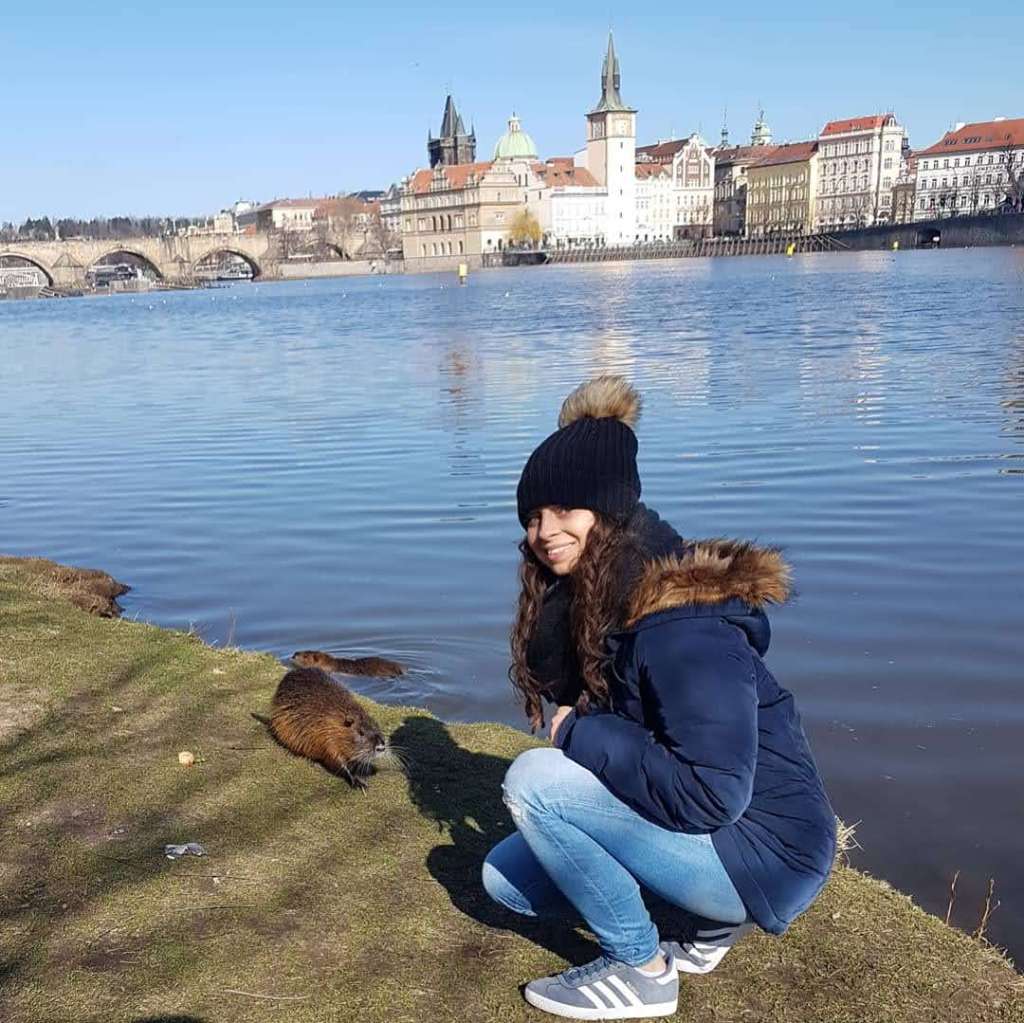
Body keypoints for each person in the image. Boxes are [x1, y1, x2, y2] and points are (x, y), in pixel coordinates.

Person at [482, 375, 836, 1020]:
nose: (544, 531)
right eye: (533, 516)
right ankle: (703, 925)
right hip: (719, 835)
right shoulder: (594, 605)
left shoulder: (683, 626)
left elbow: (713, 792)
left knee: (535, 780)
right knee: (506, 883)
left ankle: (641, 970)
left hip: (768, 854)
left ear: (610, 510)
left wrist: (574, 735)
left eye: (565, 510)